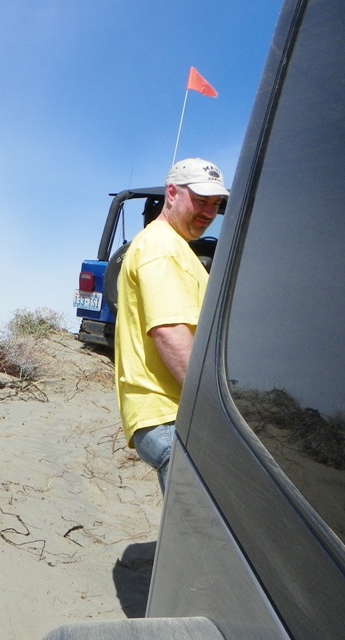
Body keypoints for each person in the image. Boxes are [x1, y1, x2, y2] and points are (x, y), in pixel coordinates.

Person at [114, 158, 229, 493]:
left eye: (216, 204)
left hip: (171, 415)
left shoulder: (176, 248)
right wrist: (216, 409)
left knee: (195, 534)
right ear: (172, 193)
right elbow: (169, 332)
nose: (209, 212)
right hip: (170, 415)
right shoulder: (162, 247)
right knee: (199, 536)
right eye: (201, 200)